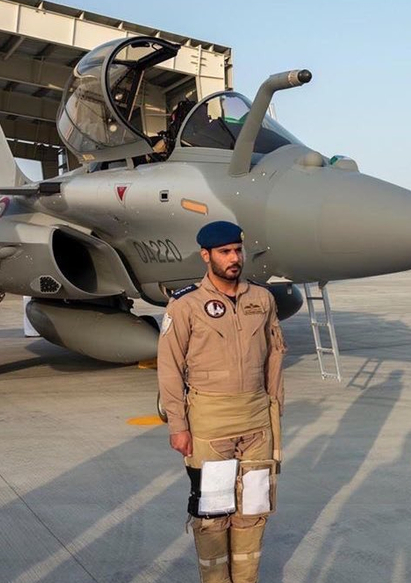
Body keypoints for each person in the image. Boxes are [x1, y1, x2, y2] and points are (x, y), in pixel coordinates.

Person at [158, 220, 286, 583]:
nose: (234, 258)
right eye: (225, 252)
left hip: (257, 418)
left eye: (237, 250)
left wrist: (274, 414)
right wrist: (178, 425)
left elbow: (274, 360)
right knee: (213, 513)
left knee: (254, 508)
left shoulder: (261, 299)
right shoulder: (186, 304)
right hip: (209, 420)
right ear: (206, 255)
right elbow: (169, 367)